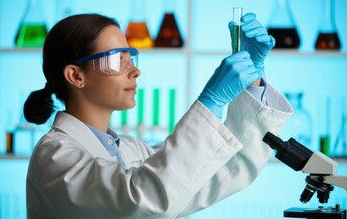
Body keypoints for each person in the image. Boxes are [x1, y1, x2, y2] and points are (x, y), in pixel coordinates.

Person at [24, 12, 292, 219]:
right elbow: (140, 200)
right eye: (118, 60)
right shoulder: (55, 156)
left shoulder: (131, 150)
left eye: (132, 58)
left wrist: (253, 83)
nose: (135, 72)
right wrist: (210, 104)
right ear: (75, 76)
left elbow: (212, 174)